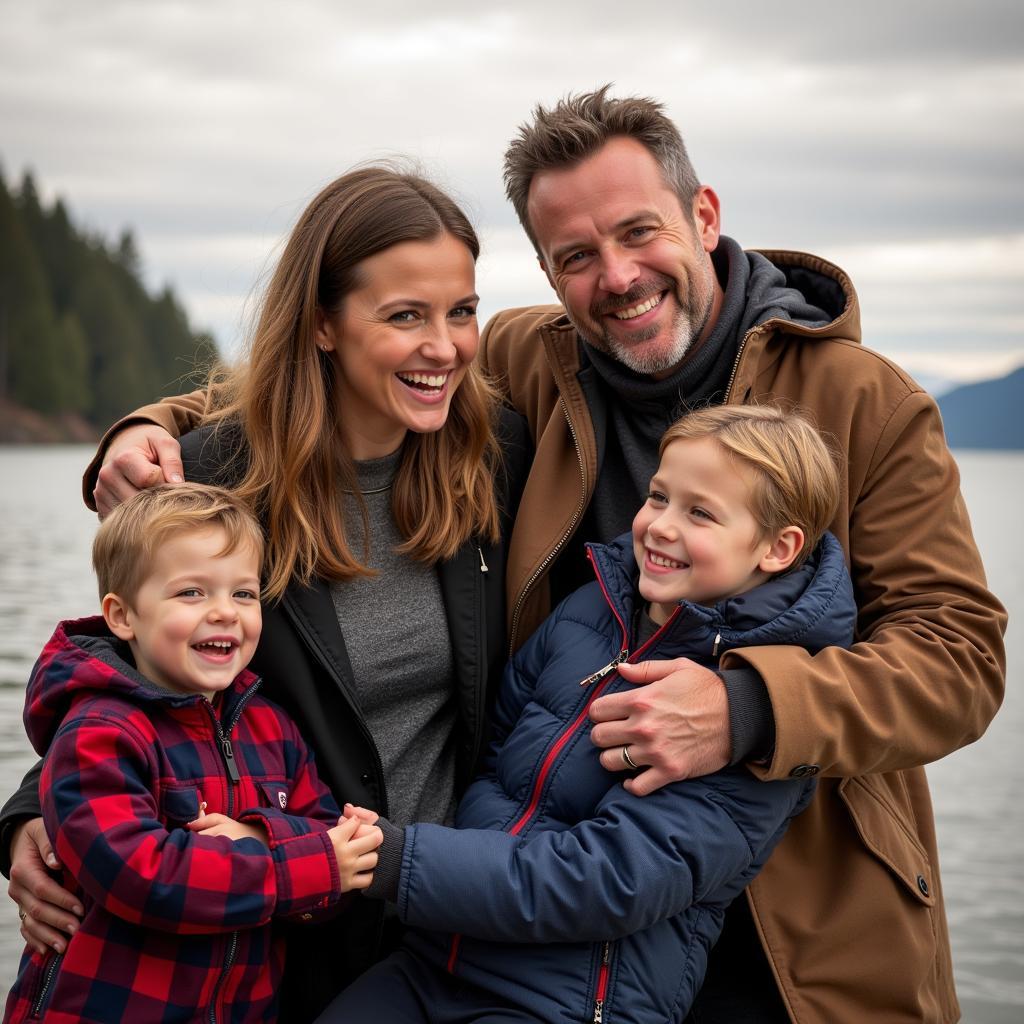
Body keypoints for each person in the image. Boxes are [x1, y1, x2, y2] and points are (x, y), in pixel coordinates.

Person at [7, 90, 1007, 1021]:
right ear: (546, 275)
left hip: (790, 923)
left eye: (638, 232)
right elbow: (286, 417)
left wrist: (749, 706)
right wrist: (143, 432)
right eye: (574, 255)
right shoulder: (536, 364)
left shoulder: (863, 404)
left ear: (703, 214)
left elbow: (960, 657)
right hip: (485, 930)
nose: (614, 278)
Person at [1, 166, 524, 1021]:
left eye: (461, 311)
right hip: (262, 945)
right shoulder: (218, 472)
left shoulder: (498, 455)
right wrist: (27, 817)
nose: (446, 347)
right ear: (323, 323)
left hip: (441, 931)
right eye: (404, 316)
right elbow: (125, 660)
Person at [315, 405, 856, 1024]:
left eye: (700, 513)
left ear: (777, 548)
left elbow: (606, 881)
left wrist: (398, 859)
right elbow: (493, 757)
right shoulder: (588, 612)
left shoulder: (746, 713)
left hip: (565, 1001)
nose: (660, 527)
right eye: (658, 497)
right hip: (440, 955)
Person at [3, 483, 382, 1023]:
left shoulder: (272, 727)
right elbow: (141, 878)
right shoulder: (99, 733)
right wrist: (314, 864)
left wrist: (277, 842)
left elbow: (332, 859)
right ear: (122, 616)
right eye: (191, 593)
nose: (224, 613)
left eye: (243, 594)